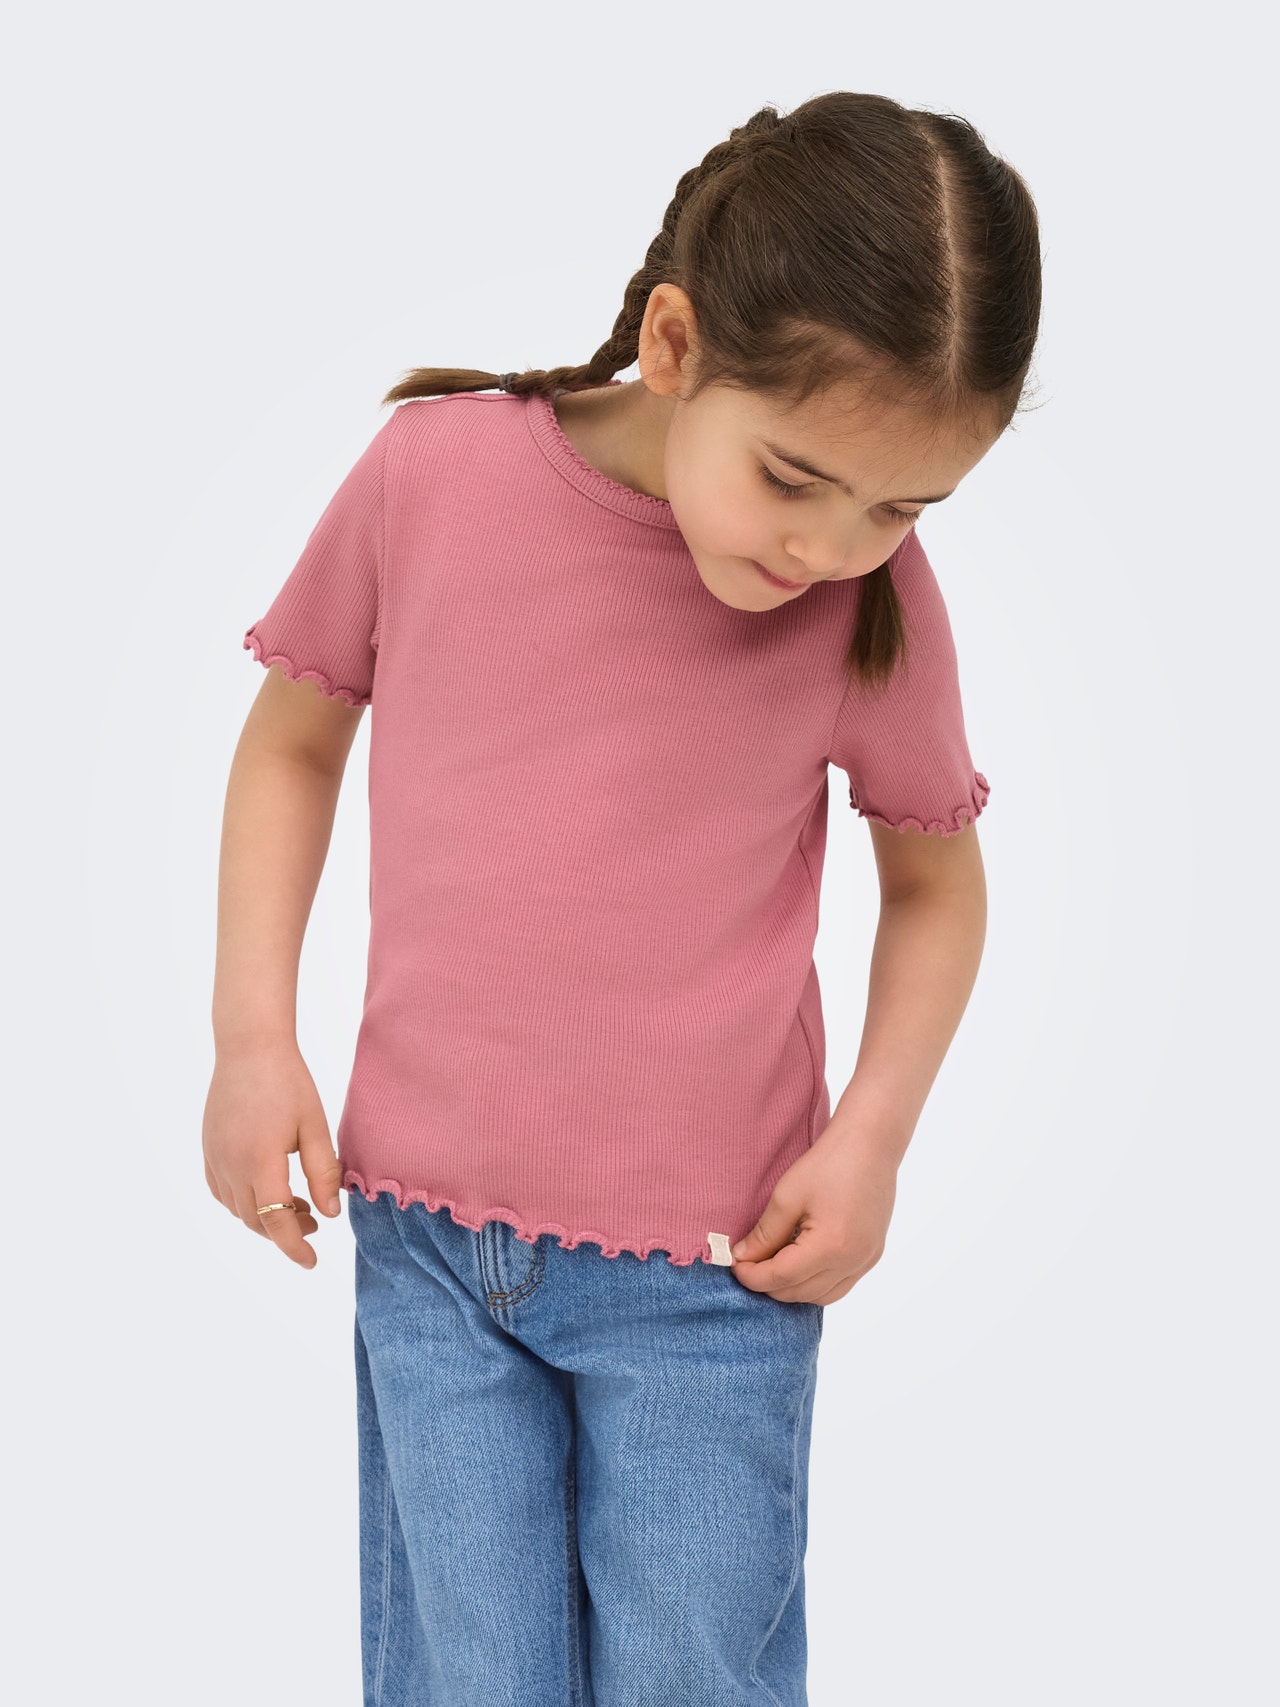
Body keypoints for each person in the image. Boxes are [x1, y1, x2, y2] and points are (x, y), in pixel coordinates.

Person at [205, 89, 1042, 1707]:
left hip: (716, 1279)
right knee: (464, 1682)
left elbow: (936, 882)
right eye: (796, 477)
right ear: (672, 342)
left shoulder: (871, 609)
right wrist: (253, 1037)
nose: (834, 547)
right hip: (428, 1244)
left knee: (689, 1681)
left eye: (901, 508)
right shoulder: (430, 479)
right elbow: (294, 742)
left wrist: (871, 1137)